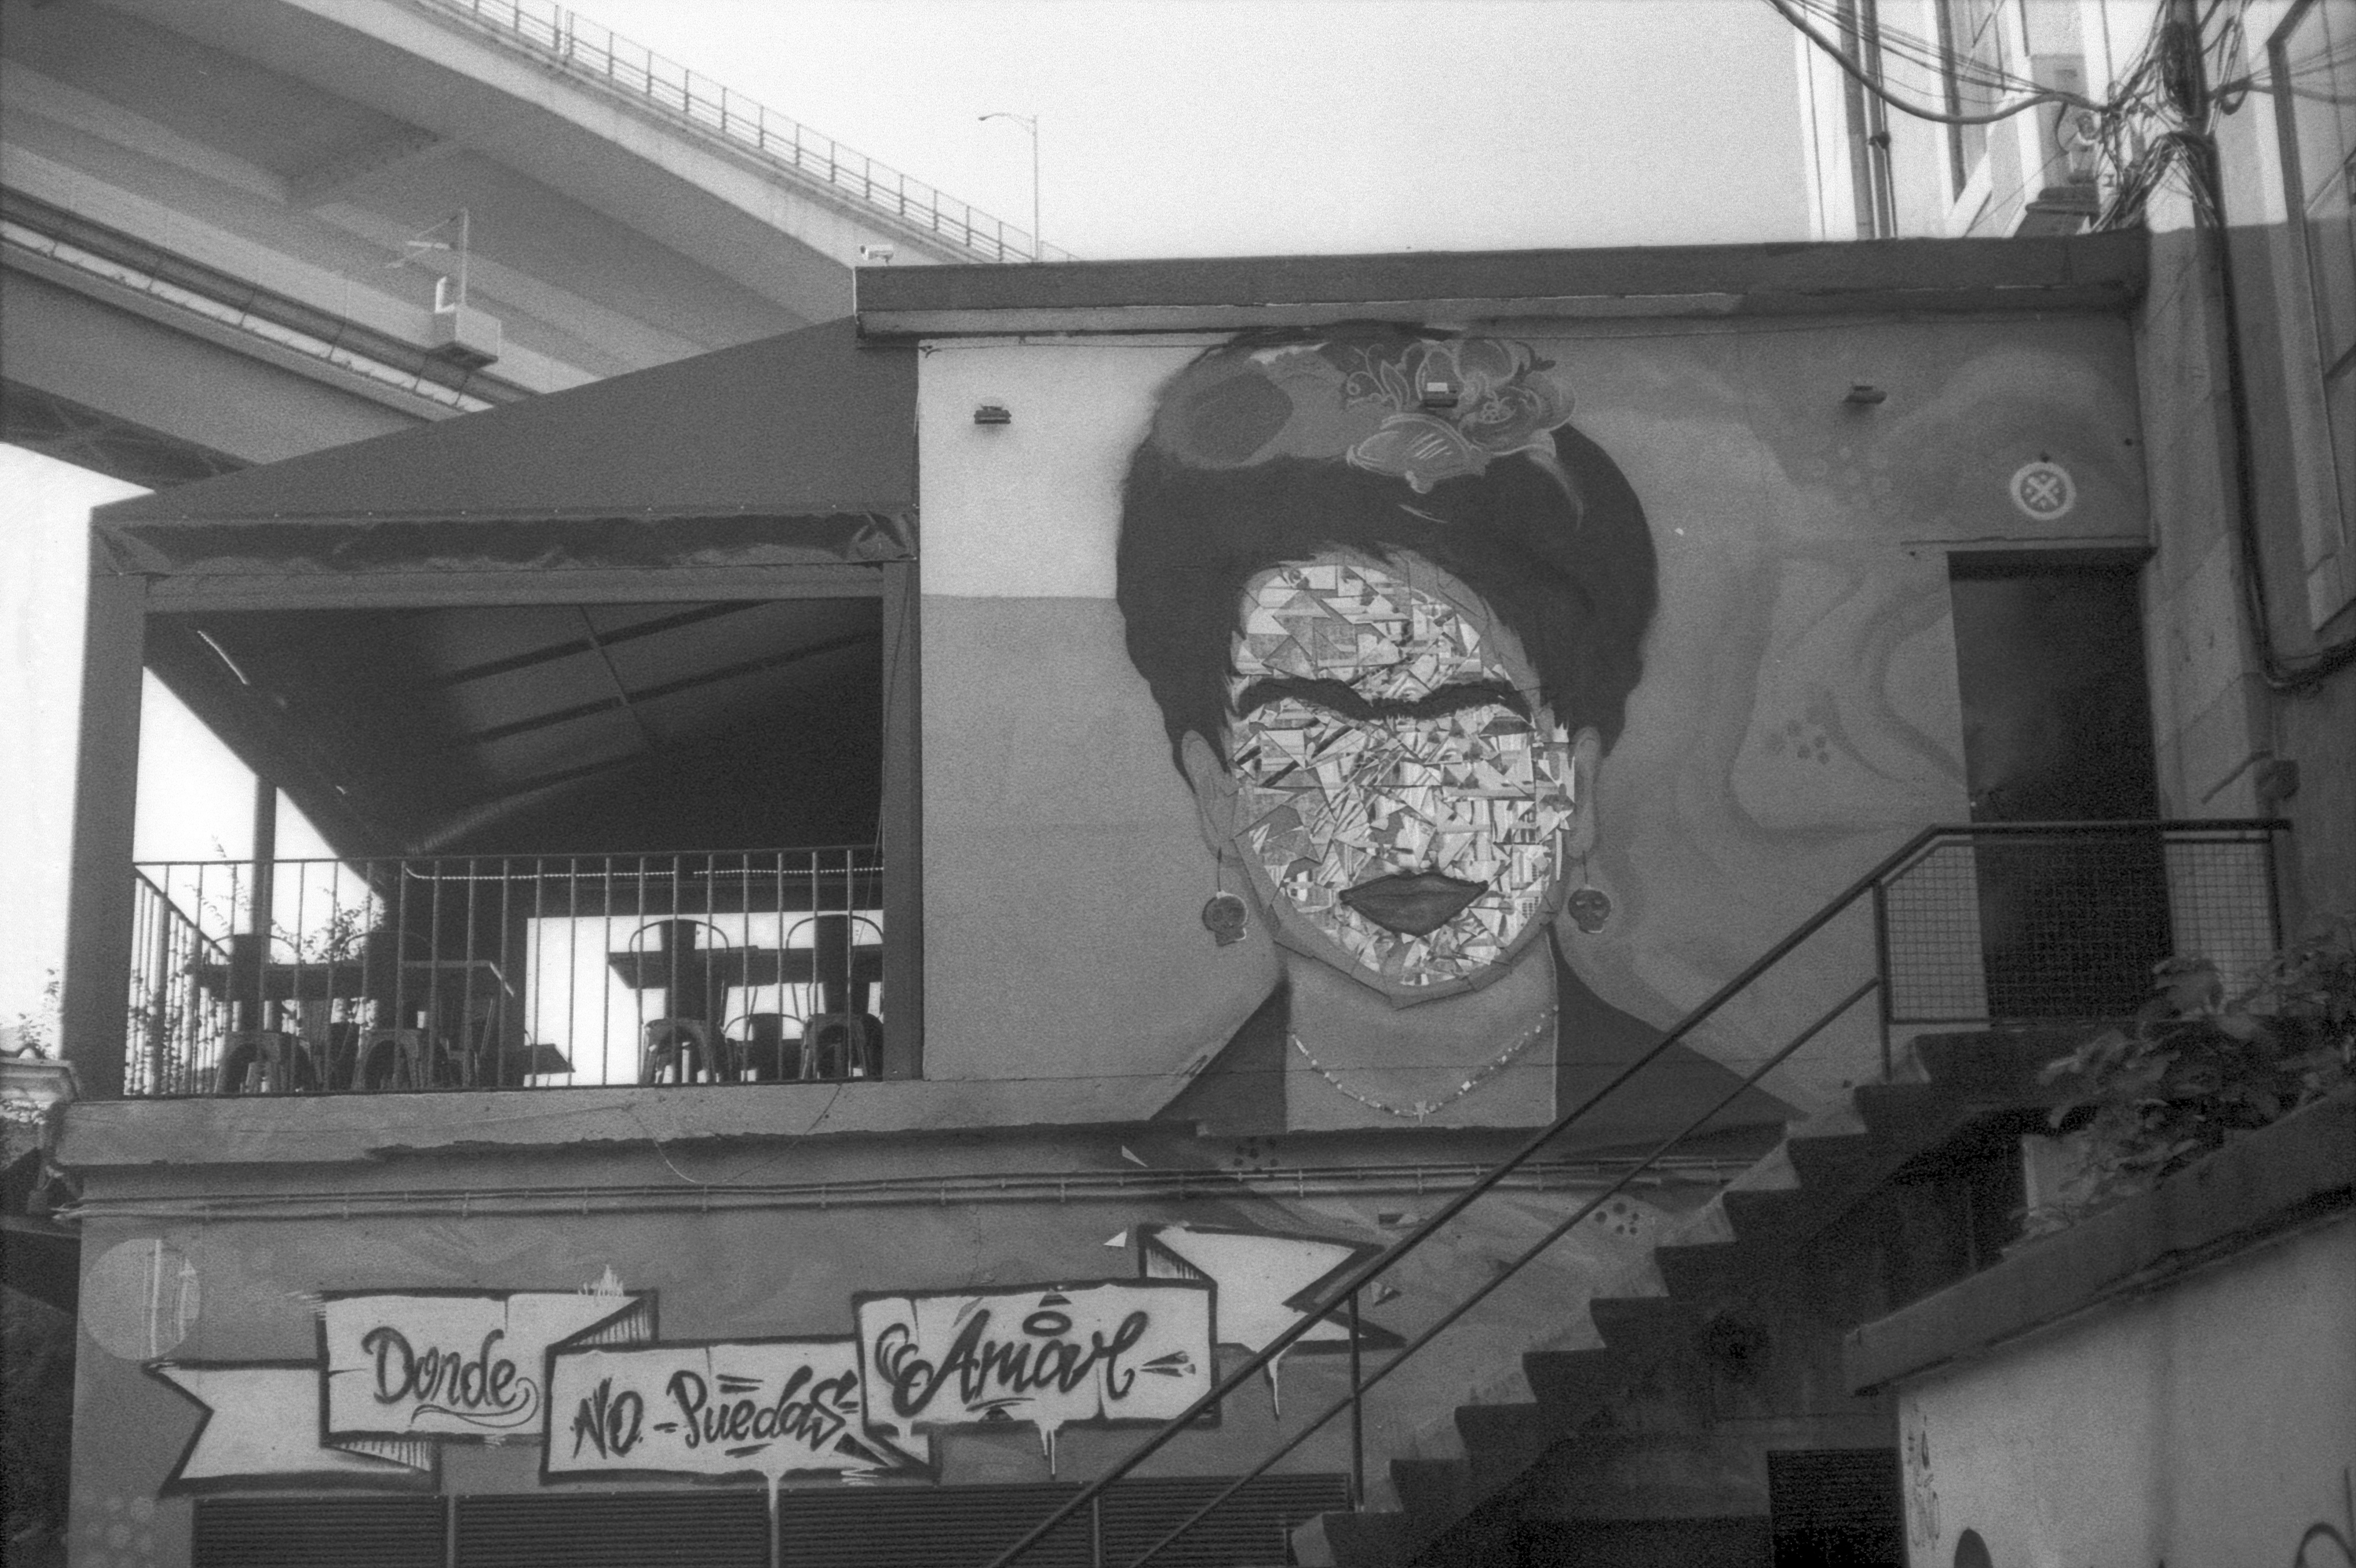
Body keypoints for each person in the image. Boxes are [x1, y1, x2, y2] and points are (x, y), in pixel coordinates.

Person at [1116, 326, 1788, 1142]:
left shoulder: (1732, 1141)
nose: (1404, 811)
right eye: (1321, 731)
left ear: (1572, 780)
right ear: (1216, 788)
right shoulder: (1151, 1164)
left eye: (1463, 720)